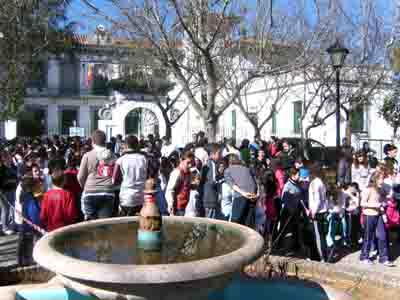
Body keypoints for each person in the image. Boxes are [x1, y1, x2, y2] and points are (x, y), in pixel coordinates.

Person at [78, 130, 118, 220]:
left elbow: (80, 177)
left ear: (92, 141)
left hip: (90, 192)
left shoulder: (87, 156)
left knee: (90, 225)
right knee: (103, 224)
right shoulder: (113, 156)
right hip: (108, 192)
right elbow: (116, 175)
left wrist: (85, 187)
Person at [359, 173, 394, 266]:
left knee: (382, 236)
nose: (382, 181)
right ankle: (364, 257)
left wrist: (385, 202)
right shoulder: (368, 190)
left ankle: (383, 258)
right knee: (368, 237)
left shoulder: (380, 190)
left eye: (383, 179)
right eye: (380, 179)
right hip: (369, 215)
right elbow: (362, 203)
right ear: (374, 179)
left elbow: (381, 201)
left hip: (378, 215)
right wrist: (375, 205)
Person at [112, 135, 147, 216]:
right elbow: (151, 176)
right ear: (137, 145)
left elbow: (114, 180)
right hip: (142, 197)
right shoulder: (145, 159)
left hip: (126, 198)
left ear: (126, 145)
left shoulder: (120, 160)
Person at [40, 167, 79, 232]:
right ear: (64, 181)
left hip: (51, 229)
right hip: (65, 229)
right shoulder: (68, 194)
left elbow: (43, 215)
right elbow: (71, 215)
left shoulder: (46, 195)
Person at [224, 154, 257, 226]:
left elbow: (233, 185)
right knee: (248, 223)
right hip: (252, 197)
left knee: (235, 223)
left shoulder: (227, 170)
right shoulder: (246, 168)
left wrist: (243, 193)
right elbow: (255, 182)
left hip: (240, 197)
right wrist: (256, 194)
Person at [279, 167, 306, 254]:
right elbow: (284, 200)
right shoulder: (287, 186)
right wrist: (291, 210)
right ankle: (280, 246)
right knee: (284, 230)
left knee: (295, 229)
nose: (299, 176)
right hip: (288, 212)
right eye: (298, 175)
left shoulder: (297, 184)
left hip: (296, 211)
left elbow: (300, 197)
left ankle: (296, 246)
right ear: (292, 175)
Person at [16, 176, 42, 266]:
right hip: (30, 230)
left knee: (22, 246)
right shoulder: (30, 199)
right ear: (30, 187)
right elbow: (34, 215)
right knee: (27, 249)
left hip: (24, 228)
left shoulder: (24, 197)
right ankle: (26, 263)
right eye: (35, 185)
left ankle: (21, 261)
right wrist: (40, 226)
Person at [307, 164, 328, 262]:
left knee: (318, 236)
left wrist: (313, 212)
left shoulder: (314, 183)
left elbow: (317, 200)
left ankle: (321, 257)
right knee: (323, 236)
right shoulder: (322, 182)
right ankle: (325, 256)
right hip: (323, 211)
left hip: (317, 212)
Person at [165, 151, 195, 216]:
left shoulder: (188, 172)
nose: (190, 165)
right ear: (181, 160)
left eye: (191, 163)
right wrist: (170, 205)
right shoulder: (177, 172)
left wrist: (192, 186)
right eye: (188, 163)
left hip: (185, 206)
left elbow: (186, 186)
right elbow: (170, 190)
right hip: (177, 207)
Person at [200, 144, 222, 219]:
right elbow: (212, 181)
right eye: (219, 153)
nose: (220, 156)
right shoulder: (210, 164)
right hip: (209, 198)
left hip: (210, 197)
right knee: (209, 220)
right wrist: (220, 181)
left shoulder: (213, 164)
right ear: (212, 154)